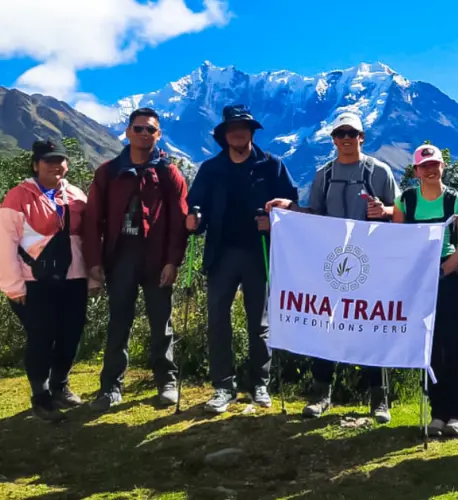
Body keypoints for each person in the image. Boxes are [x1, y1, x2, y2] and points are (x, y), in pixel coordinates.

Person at [266, 111, 400, 423]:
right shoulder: (323, 175)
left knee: (371, 328)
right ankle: (320, 395)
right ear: (333, 139)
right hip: (332, 264)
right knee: (325, 324)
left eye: (351, 134)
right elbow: (315, 215)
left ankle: (379, 400)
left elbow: (399, 215)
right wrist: (291, 210)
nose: (346, 139)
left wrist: (386, 210)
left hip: (371, 263)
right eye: (340, 134)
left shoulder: (379, 171)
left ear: (361, 138)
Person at [186, 104, 299, 414]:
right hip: (220, 254)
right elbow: (196, 204)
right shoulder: (211, 169)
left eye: (244, 127)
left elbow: (292, 202)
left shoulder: (272, 166)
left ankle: (259, 384)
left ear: (251, 132)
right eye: (232, 128)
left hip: (258, 252)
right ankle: (223, 386)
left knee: (259, 323)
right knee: (217, 321)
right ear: (225, 135)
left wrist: (274, 219)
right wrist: (194, 218)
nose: (238, 132)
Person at [83, 108, 189, 412]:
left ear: (158, 135)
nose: (145, 134)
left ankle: (166, 382)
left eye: (151, 130)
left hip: (157, 259)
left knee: (161, 322)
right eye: (139, 128)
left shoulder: (169, 173)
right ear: (128, 132)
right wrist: (94, 263)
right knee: (119, 322)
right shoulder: (108, 172)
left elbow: (179, 220)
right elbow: (92, 221)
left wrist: (173, 262)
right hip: (120, 256)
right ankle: (110, 387)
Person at [0, 140, 89, 422]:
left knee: (70, 335)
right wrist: (13, 287)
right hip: (33, 282)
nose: (55, 165)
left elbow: (86, 237)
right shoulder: (18, 196)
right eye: (48, 160)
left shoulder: (76, 195)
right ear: (36, 164)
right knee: (41, 337)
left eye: (60, 159)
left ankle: (60, 386)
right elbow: (4, 243)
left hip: (74, 277)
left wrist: (94, 273)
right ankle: (41, 395)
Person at [393, 144, 458, 437]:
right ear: (416, 171)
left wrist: (438, 272)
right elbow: (398, 242)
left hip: (448, 275)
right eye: (424, 166)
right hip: (417, 277)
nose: (430, 170)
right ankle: (437, 412)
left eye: (434, 164)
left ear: (442, 167)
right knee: (429, 344)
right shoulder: (406, 201)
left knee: (454, 344)